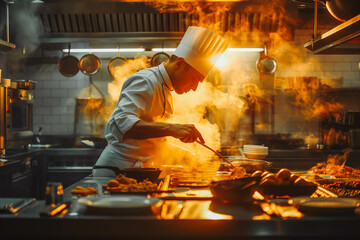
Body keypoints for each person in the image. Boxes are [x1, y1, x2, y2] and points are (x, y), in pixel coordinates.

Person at [93, 26, 228, 177]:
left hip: (139, 173)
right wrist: (173, 128)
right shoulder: (145, 80)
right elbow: (123, 124)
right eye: (194, 79)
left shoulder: (167, 90)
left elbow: (153, 141)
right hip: (115, 173)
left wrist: (189, 155)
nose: (195, 88)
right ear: (180, 64)